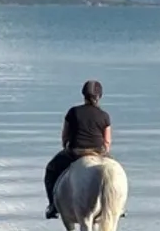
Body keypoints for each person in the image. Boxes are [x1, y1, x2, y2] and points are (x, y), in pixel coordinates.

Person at [45, 79, 111, 219]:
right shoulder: (104, 116)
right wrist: (104, 153)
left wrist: (65, 146)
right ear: (99, 96)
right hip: (98, 153)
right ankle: (119, 207)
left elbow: (65, 136)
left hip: (75, 153)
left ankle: (52, 206)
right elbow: (107, 141)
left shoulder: (73, 112)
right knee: (114, 172)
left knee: (51, 169)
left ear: (83, 95)